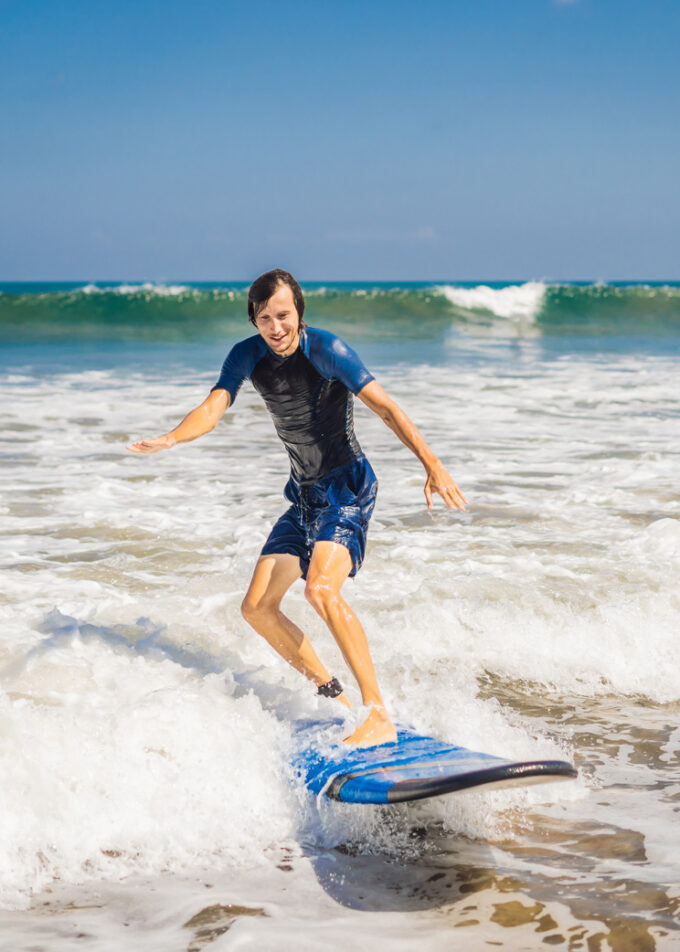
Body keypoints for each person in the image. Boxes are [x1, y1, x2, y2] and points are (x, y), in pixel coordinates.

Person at [127, 270, 466, 747]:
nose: (276, 327)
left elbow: (386, 408)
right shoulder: (247, 355)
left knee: (321, 592)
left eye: (283, 315)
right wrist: (172, 437)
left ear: (299, 313)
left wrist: (433, 464)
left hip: (346, 489)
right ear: (255, 319)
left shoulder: (328, 350)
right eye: (264, 318)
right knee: (257, 607)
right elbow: (213, 406)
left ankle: (378, 713)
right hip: (304, 496)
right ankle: (336, 699)